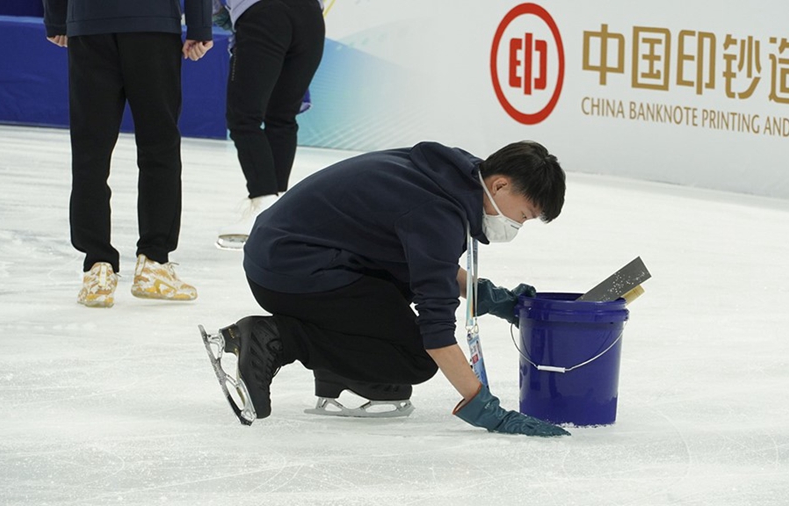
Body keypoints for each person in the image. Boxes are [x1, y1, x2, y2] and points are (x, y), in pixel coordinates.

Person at [204, 140, 571, 436]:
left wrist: (489, 297)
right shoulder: (438, 211)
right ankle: (277, 337)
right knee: (414, 357)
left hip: (289, 252)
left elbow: (431, 264)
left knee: (398, 308)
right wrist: (485, 408)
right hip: (291, 271)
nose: (517, 226)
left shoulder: (455, 176)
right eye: (522, 215)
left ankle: (338, 367)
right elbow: (437, 333)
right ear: (500, 185)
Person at [43, 0, 213, 308]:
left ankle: (98, 268)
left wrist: (57, 18)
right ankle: (154, 263)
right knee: (159, 146)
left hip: (90, 23)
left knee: (90, 151)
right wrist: (200, 26)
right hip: (152, 24)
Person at [212, 0, 326, 249]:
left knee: (244, 117)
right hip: (309, 16)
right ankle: (278, 207)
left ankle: (263, 201)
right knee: (282, 116)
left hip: (265, 12)